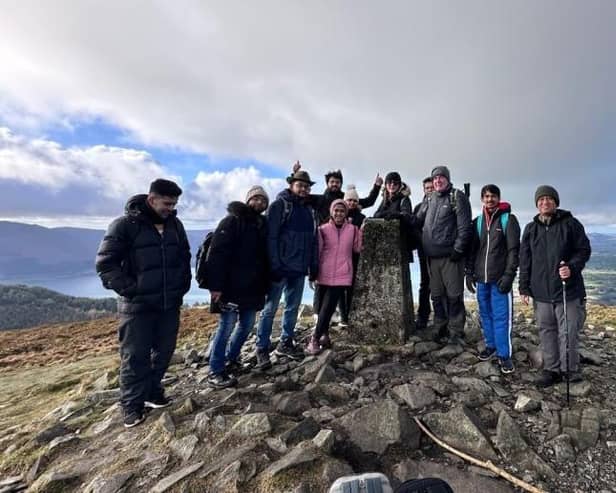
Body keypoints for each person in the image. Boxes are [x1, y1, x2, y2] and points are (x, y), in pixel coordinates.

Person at [96, 179, 191, 428]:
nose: (170, 208)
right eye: (167, 203)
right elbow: (106, 264)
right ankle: (131, 405)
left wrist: (182, 285)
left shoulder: (175, 225)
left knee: (164, 352)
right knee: (134, 356)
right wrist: (131, 289)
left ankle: (151, 392)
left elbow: (184, 256)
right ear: (152, 199)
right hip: (136, 306)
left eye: (174, 204)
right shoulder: (124, 225)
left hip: (169, 303)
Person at [519, 185, 591, 387]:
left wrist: (572, 267)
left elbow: (583, 250)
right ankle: (551, 369)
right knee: (547, 330)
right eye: (540, 200)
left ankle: (569, 369)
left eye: (549, 199)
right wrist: (524, 287)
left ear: (556, 202)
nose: (544, 203)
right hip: (541, 292)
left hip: (568, 290)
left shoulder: (571, 224)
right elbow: (525, 260)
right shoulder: (531, 229)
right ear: (536, 204)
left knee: (568, 331)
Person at [205, 186, 270, 389]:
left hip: (252, 288)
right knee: (226, 327)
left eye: (263, 200)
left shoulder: (262, 224)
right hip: (230, 287)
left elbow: (264, 258)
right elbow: (216, 254)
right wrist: (216, 287)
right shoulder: (232, 221)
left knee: (247, 324)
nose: (259, 203)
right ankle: (215, 370)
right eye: (256, 199)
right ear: (248, 200)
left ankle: (232, 359)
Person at [254, 170, 319, 369]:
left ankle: (285, 342)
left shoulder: (309, 211)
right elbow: (271, 238)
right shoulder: (280, 206)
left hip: (298, 270)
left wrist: (312, 267)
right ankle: (262, 348)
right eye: (300, 185)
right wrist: (274, 265)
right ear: (291, 185)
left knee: (292, 308)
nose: (304, 189)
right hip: (280, 268)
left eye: (307, 187)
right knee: (270, 309)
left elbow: (312, 242)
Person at [414, 165, 472, 345]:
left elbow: (465, 227)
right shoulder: (430, 199)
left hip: (450, 256)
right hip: (432, 257)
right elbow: (417, 220)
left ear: (447, 179)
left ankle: (456, 331)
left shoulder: (457, 197)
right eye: (435, 178)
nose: (438, 180)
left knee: (454, 295)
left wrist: (458, 249)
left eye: (441, 177)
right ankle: (440, 326)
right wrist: (400, 216)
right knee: (437, 295)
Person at [465, 184, 520, 374]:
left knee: (501, 317)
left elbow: (514, 251)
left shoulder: (508, 220)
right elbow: (473, 251)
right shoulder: (478, 222)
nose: (490, 199)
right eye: (486, 196)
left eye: (493, 196)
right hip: (482, 279)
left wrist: (509, 275)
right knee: (485, 314)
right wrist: (469, 273)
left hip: (499, 279)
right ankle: (491, 346)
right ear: (482, 199)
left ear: (499, 198)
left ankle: (504, 355)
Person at [307, 199, 362, 354]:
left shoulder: (352, 229)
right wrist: (313, 273)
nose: (339, 213)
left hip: (342, 274)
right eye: (336, 210)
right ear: (331, 212)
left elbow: (357, 249)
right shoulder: (322, 229)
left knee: (328, 307)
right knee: (324, 309)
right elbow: (317, 252)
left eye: (342, 211)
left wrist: (362, 231)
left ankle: (314, 339)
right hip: (324, 272)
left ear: (346, 213)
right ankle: (324, 335)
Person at [292, 161, 383, 224]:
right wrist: (296, 174)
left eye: (337, 182)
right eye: (332, 182)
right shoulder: (319, 199)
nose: (335, 184)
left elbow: (369, 201)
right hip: (324, 236)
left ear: (341, 184)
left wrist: (377, 186)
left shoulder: (347, 199)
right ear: (327, 183)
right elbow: (299, 195)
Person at [337, 185, 366, 325]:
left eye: (354, 200)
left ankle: (351, 314)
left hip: (355, 257)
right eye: (349, 200)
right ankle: (343, 316)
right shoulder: (339, 214)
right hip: (340, 256)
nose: (352, 203)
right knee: (340, 288)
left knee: (352, 287)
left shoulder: (362, 217)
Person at [373, 171, 414, 263]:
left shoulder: (404, 199)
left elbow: (407, 216)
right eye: (389, 182)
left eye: (395, 183)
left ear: (399, 185)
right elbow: (376, 215)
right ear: (386, 184)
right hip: (386, 244)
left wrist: (394, 215)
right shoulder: (385, 199)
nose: (392, 185)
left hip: (402, 244)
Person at [414, 177, 434, 330]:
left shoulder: (447, 204)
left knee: (442, 286)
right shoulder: (419, 207)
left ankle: (443, 317)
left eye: (431, 187)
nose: (429, 190)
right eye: (427, 188)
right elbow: (414, 226)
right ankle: (422, 316)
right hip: (424, 251)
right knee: (424, 284)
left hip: (442, 252)